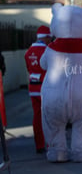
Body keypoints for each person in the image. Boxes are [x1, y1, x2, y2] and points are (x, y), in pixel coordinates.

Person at [24, 25, 53, 154]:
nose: (50, 40)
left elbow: (28, 69)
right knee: (48, 117)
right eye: (49, 37)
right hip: (44, 88)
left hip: (32, 87)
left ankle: (39, 145)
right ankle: (49, 145)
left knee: (37, 117)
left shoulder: (29, 51)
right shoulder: (47, 50)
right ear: (46, 37)